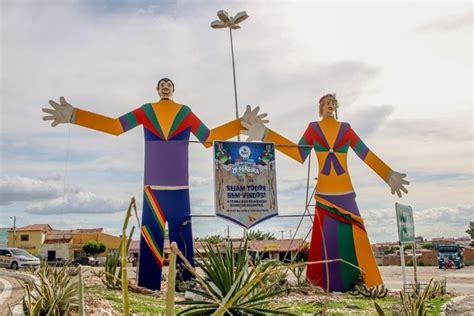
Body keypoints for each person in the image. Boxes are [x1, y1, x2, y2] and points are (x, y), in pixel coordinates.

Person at [42, 78, 266, 290]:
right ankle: (148, 285)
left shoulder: (184, 112)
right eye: (162, 84)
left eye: (169, 84)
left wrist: (241, 124)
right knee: (150, 240)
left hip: (180, 190)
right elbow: (115, 126)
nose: (165, 87)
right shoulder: (146, 111)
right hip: (152, 190)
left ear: (173, 89)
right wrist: (74, 115)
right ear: (157, 90)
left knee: (184, 239)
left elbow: (208, 138)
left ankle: (186, 283)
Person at [243, 93, 409, 292]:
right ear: (320, 107)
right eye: (326, 103)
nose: (330, 105)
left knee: (356, 235)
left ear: (336, 107)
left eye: (333, 103)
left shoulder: (345, 129)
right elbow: (298, 153)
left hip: (345, 191)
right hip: (324, 194)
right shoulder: (314, 129)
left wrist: (388, 175)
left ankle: (365, 281)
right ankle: (326, 285)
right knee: (326, 240)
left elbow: (365, 153)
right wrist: (265, 134)